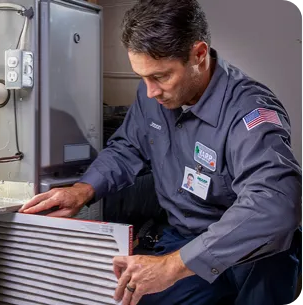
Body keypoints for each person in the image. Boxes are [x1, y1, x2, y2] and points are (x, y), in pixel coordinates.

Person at [19, 0, 302, 304]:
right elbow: (128, 146)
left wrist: (172, 265)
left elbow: (274, 204)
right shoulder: (152, 94)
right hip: (185, 236)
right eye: (143, 77)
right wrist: (83, 189)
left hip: (253, 252)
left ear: (199, 55)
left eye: (161, 76)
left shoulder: (249, 111)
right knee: (129, 298)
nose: (150, 91)